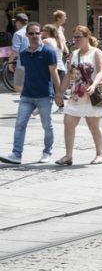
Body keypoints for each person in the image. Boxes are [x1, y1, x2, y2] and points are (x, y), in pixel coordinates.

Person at [0, 22, 64, 165]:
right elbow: (24, 73)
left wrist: (58, 93)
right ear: (26, 35)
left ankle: (47, 152)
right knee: (20, 124)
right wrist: (20, 87)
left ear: (41, 33)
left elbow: (54, 74)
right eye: (31, 33)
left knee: (47, 126)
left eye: (37, 33)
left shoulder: (48, 52)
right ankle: (16, 154)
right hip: (27, 96)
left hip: (44, 95)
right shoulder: (24, 54)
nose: (34, 36)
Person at [56, 26, 102, 166]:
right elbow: (69, 75)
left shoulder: (96, 52)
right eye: (75, 37)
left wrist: (94, 84)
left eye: (79, 37)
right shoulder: (74, 54)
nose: (76, 40)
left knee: (93, 127)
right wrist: (60, 92)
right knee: (68, 123)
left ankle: (99, 154)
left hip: (91, 96)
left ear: (87, 37)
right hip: (76, 96)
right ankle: (68, 156)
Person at [40, 24, 67, 107]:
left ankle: (42, 106)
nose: (41, 32)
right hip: (61, 67)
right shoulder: (59, 41)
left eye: (43, 30)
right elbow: (66, 52)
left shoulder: (46, 41)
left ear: (47, 32)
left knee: (46, 88)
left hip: (51, 67)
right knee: (58, 90)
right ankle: (61, 107)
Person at [11, 12, 28, 94]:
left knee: (18, 86)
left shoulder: (18, 34)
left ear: (18, 23)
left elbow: (15, 50)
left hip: (22, 64)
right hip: (35, 62)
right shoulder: (34, 31)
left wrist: (10, 62)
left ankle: (27, 96)